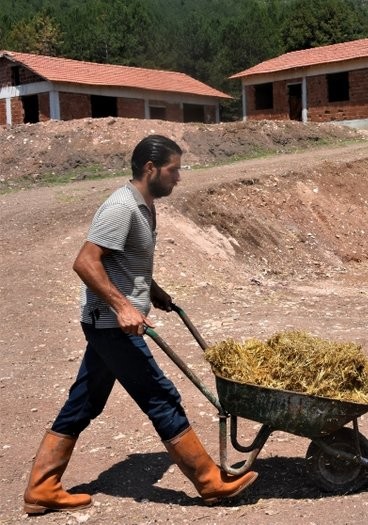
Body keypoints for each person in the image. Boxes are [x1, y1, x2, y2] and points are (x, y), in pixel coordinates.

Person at [23, 135, 258, 515]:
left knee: (85, 400)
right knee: (160, 395)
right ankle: (208, 482)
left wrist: (154, 291)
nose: (178, 177)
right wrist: (123, 308)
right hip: (113, 325)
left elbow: (123, 262)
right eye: (173, 169)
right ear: (150, 169)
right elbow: (86, 262)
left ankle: (41, 487)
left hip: (110, 323)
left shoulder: (144, 206)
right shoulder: (120, 207)